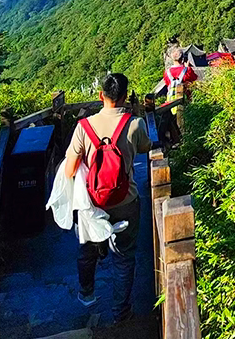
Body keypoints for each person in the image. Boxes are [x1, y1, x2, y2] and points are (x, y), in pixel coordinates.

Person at [64, 72, 151, 323]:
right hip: (126, 201)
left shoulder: (83, 128)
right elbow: (145, 146)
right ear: (125, 97)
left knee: (87, 248)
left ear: (101, 95)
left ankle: (86, 294)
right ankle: (121, 312)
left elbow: (70, 171)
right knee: (124, 257)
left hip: (92, 203)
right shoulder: (134, 124)